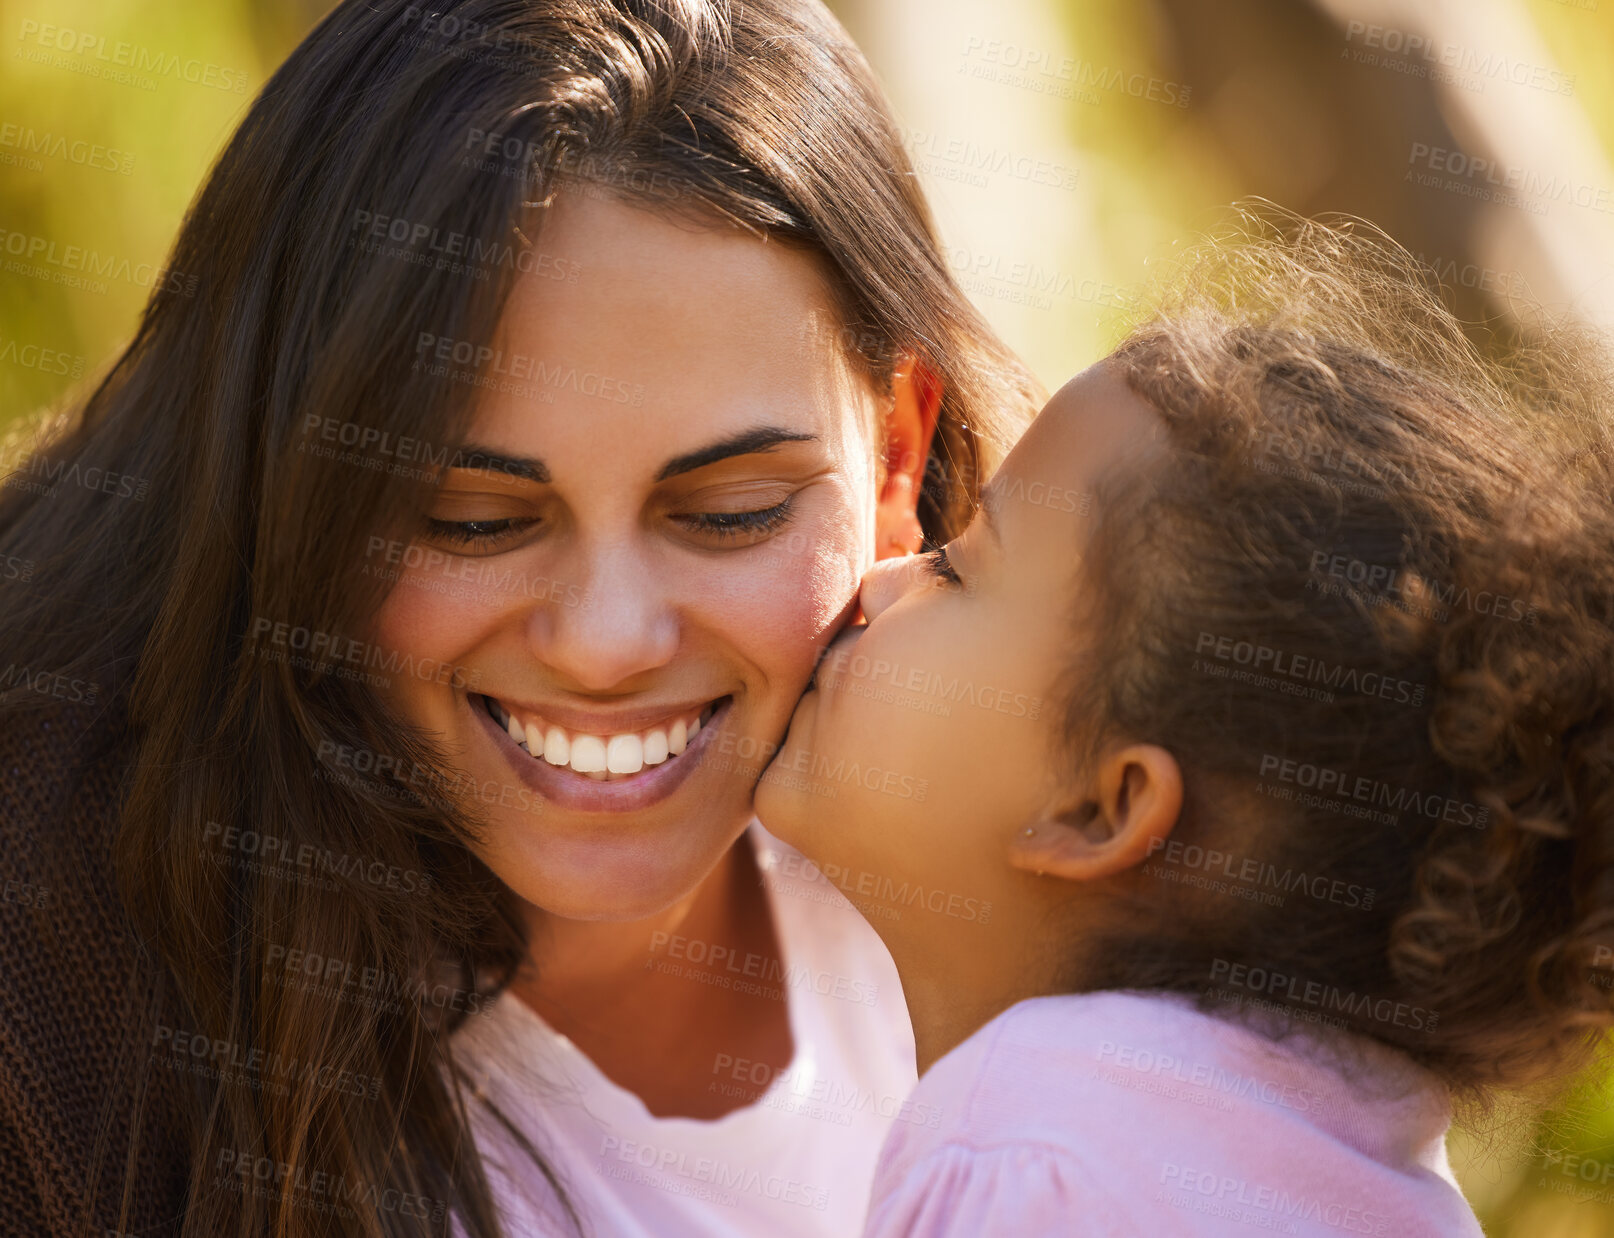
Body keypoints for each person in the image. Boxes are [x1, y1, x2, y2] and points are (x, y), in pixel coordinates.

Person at [0, 1, 1039, 1235]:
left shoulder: (1060, 848)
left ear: (895, 454)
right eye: (474, 520)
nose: (606, 641)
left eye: (729, 511)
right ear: (283, 487)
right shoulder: (53, 1021)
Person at [756, 221, 1614, 1236]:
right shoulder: (1378, 1174)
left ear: (1102, 808)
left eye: (957, 570)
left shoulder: (1032, 1154)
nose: (885, 575)